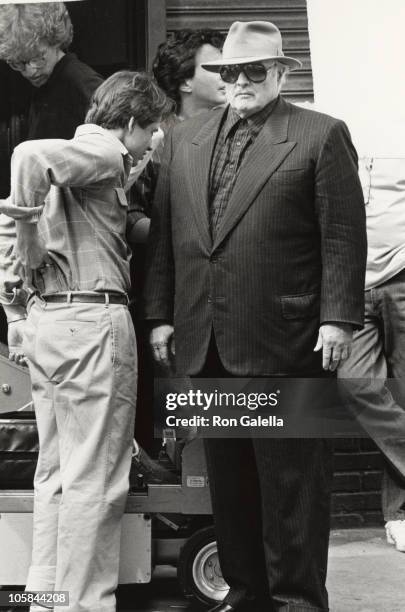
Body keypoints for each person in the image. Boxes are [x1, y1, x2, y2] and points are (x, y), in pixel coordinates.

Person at [143, 20, 367, 612]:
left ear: (279, 72)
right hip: (205, 341)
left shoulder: (320, 135)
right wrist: (160, 315)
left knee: (293, 493)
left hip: (290, 342)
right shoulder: (184, 139)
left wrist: (339, 319)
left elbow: (343, 235)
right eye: (228, 72)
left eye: (252, 71)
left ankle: (297, 604)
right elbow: (167, 236)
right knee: (232, 492)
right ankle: (245, 598)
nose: (238, 81)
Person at [0, 71, 169, 612]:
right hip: (90, 322)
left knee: (55, 475)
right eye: (151, 131)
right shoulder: (104, 151)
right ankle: (84, 605)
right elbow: (27, 157)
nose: (150, 144)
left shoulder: (84, 155)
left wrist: (14, 312)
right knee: (96, 480)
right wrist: (28, 228)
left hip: (47, 321)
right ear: (131, 123)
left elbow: (10, 237)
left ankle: (49, 600)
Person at [339, 156, 405, 552]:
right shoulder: (331, 126)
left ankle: (399, 513)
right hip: (348, 281)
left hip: (402, 273)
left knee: (402, 396)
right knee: (355, 383)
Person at [0, 1, 103, 140]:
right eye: (18, 63)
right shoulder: (45, 85)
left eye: (37, 58)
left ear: (55, 40)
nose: (29, 72)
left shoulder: (82, 82)